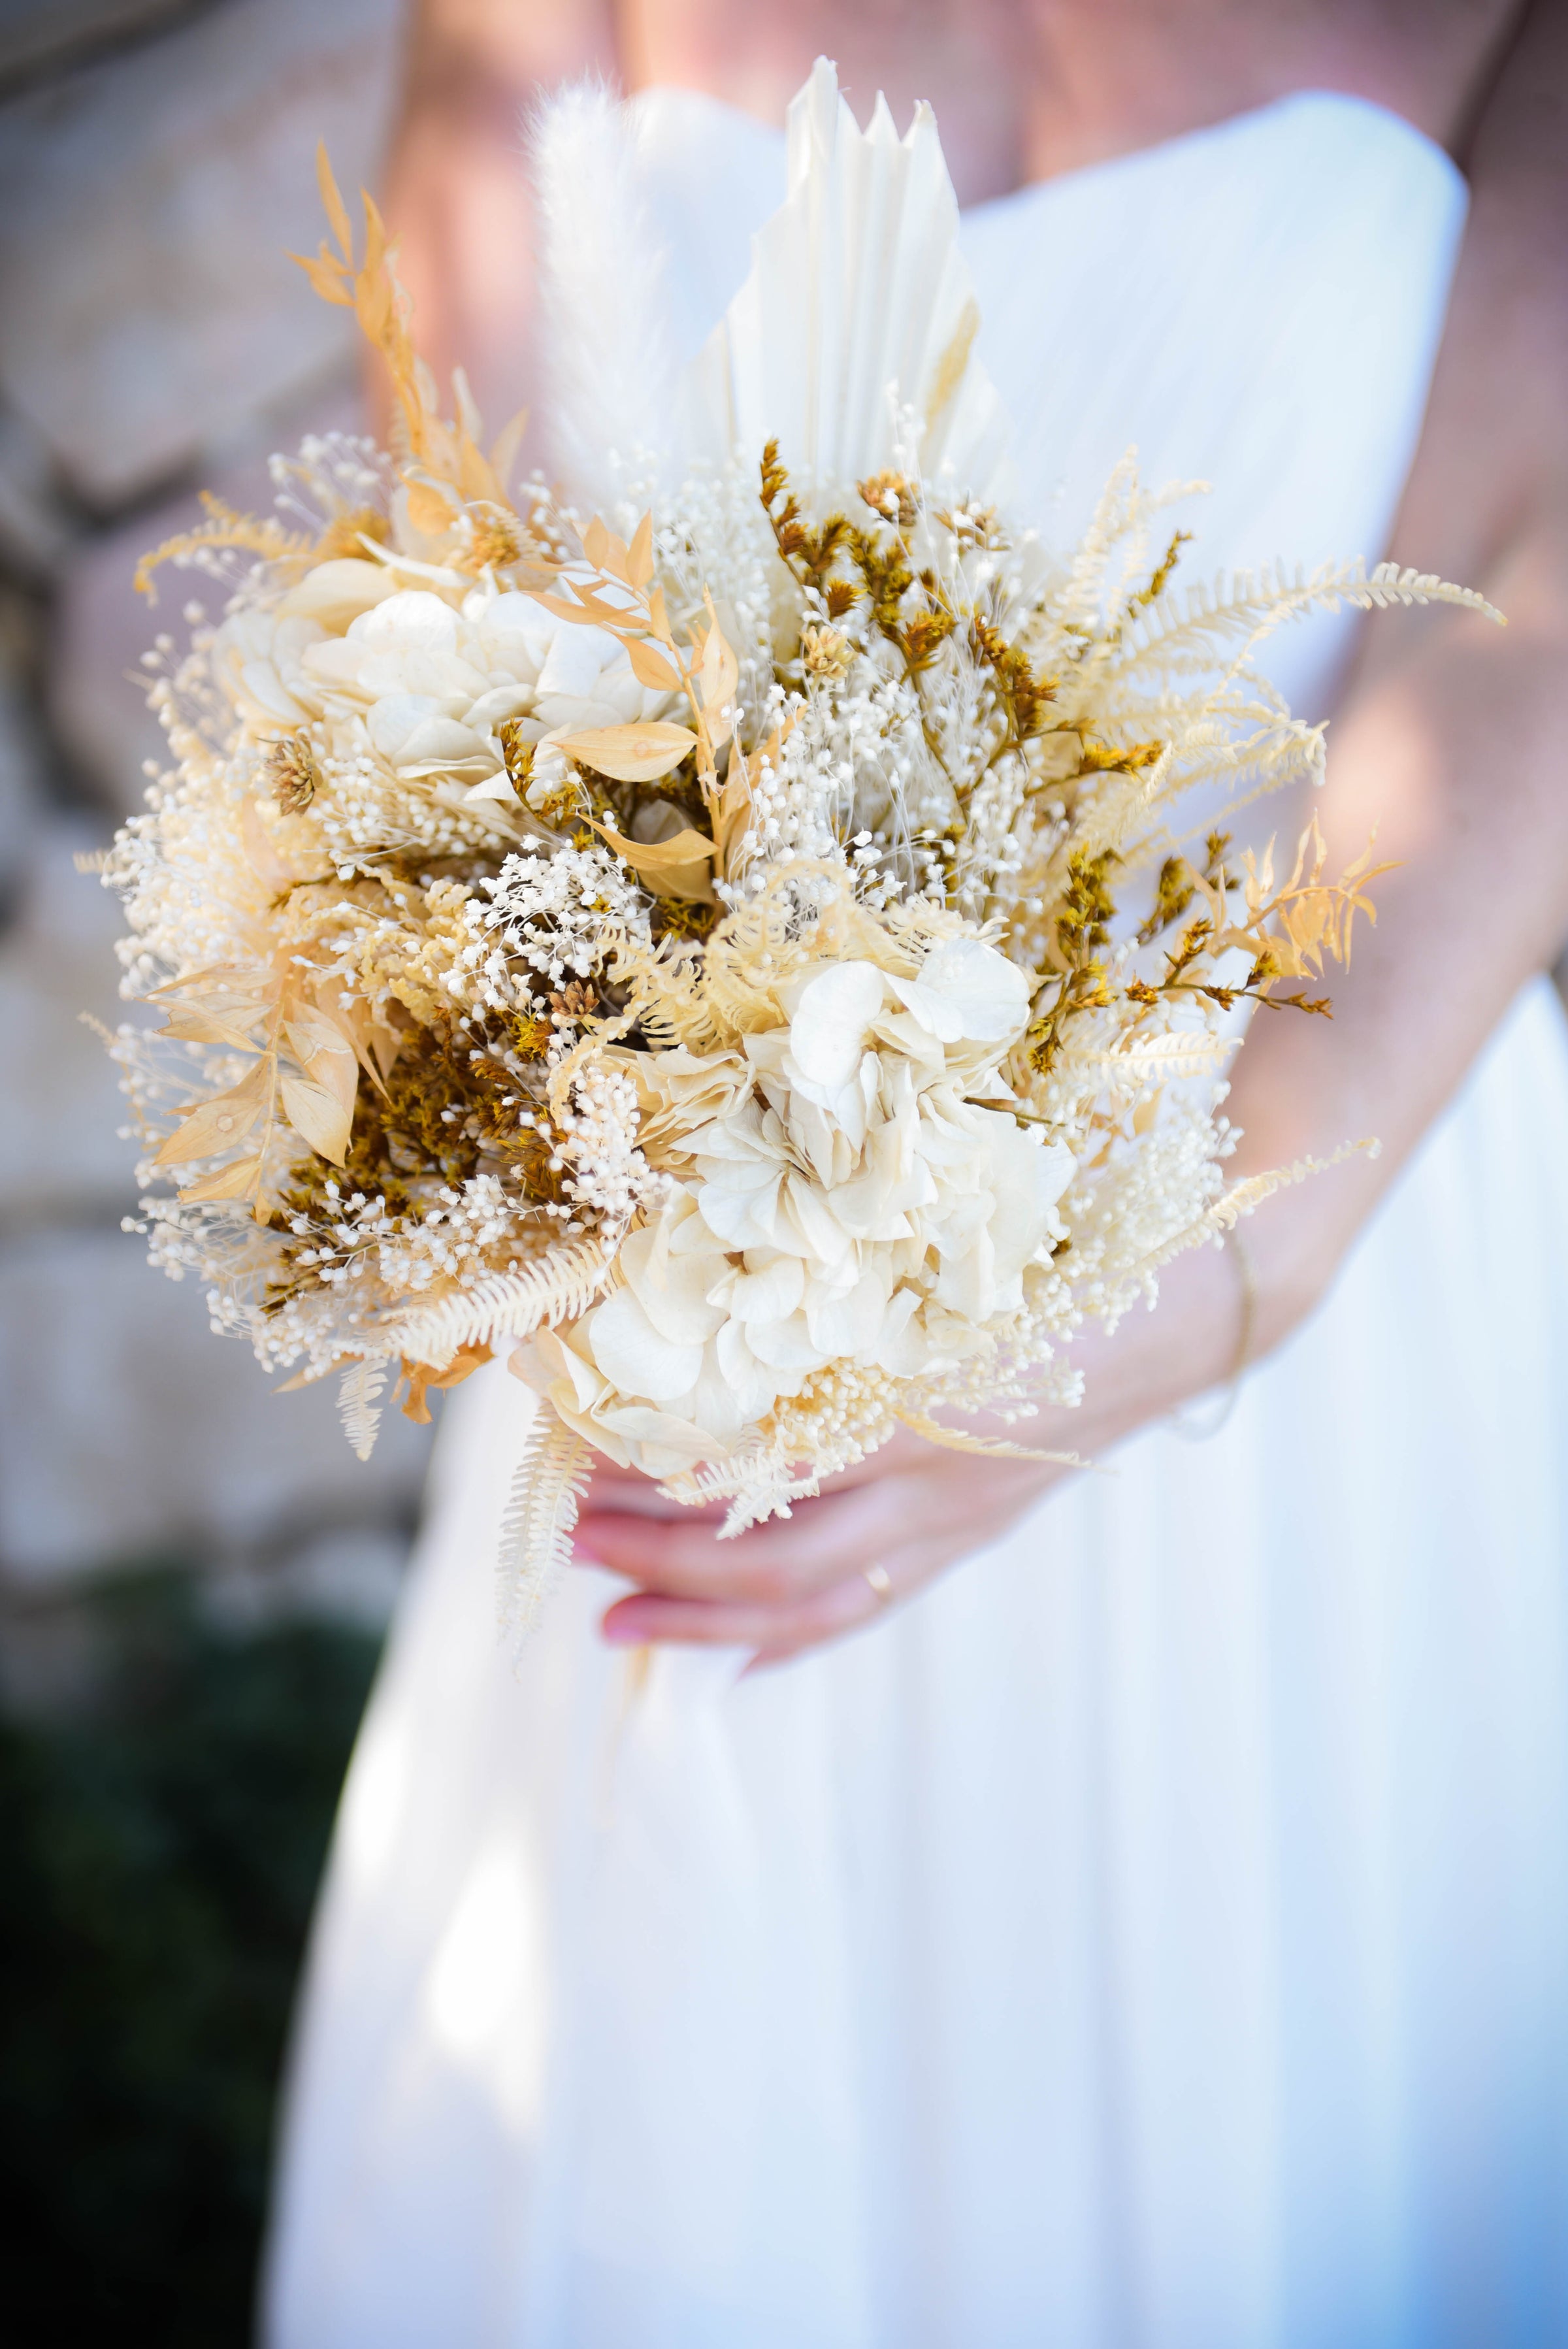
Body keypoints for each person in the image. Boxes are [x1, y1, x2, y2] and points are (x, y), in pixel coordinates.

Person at [265, 6, 1568, 2343]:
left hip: (1283, 1246)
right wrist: (556, 1042)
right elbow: (465, 504)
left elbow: (1526, 618)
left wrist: (1211, 1266)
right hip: (675, 1231)